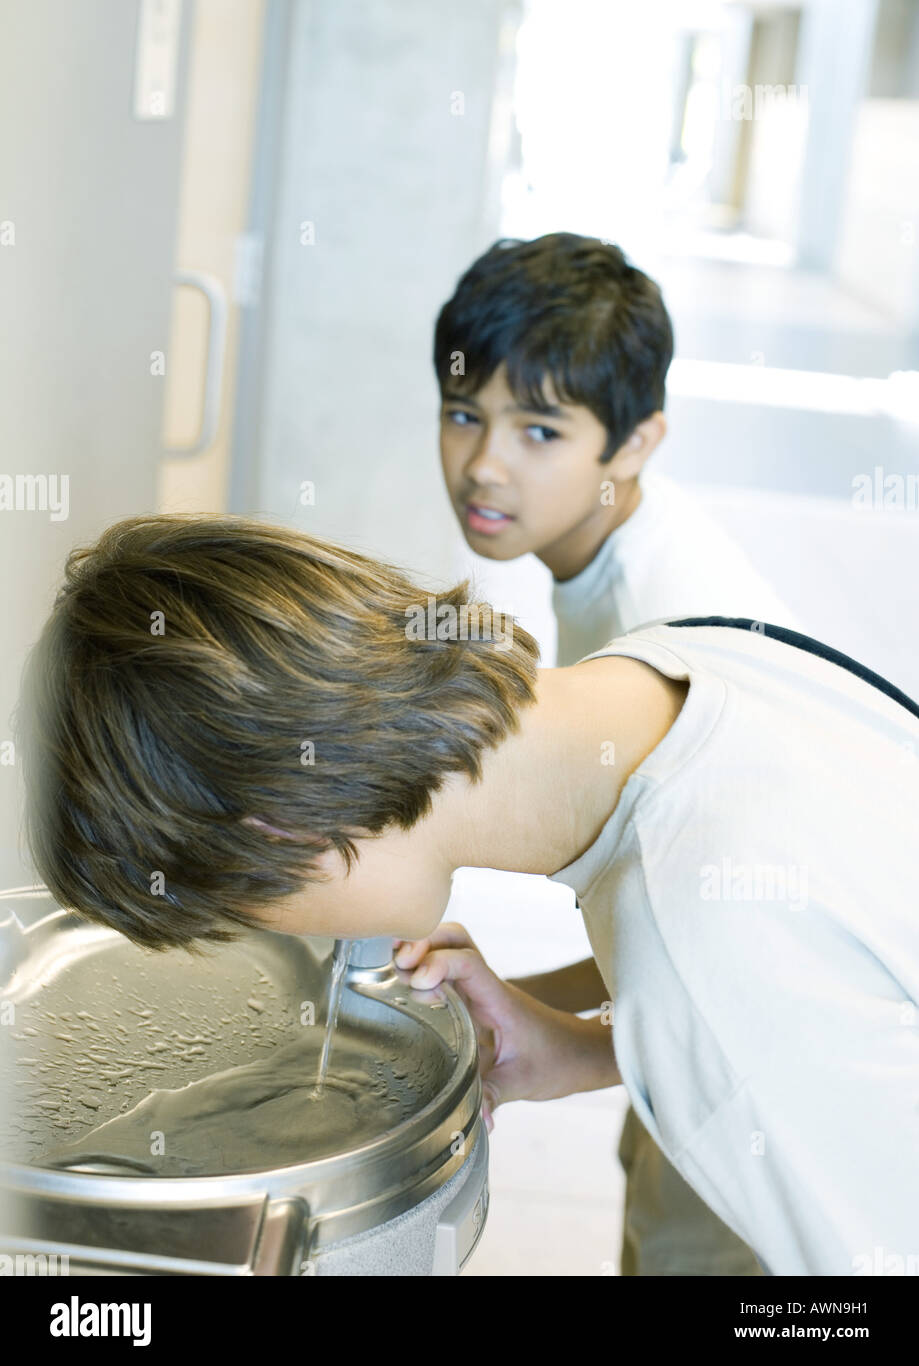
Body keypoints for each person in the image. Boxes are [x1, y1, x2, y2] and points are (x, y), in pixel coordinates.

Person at [19, 514, 919, 1276]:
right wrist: (585, 1043)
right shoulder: (680, 660)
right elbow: (824, 984)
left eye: (238, 921)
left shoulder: (707, 945)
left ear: (276, 831)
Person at [434, 231, 798, 1274]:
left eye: (539, 428)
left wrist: (568, 1045)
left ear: (633, 443)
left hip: (768, 1097)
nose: (484, 463)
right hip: (709, 1056)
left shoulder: (664, 627)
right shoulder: (607, 545)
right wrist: (525, 1000)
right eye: (465, 413)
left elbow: (743, 941)